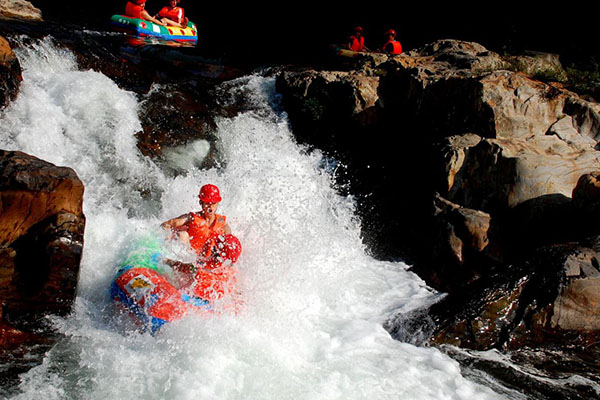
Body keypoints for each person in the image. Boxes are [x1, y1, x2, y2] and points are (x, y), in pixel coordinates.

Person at [161, 184, 232, 262]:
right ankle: (171, 262)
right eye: (208, 203)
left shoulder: (222, 222)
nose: (211, 207)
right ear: (201, 202)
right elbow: (167, 225)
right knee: (182, 235)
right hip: (190, 260)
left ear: (218, 203)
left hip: (211, 261)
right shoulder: (191, 218)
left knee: (227, 243)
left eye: (213, 203)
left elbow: (230, 240)